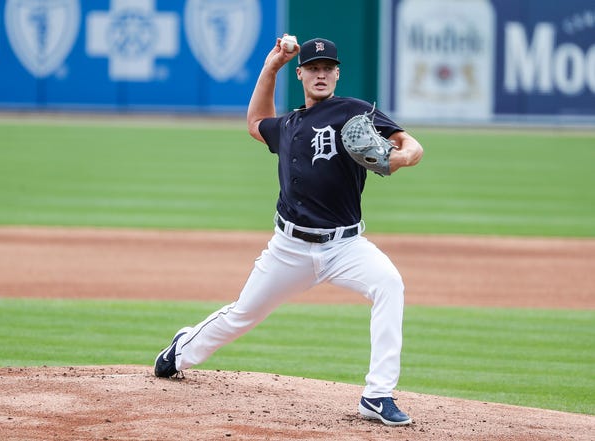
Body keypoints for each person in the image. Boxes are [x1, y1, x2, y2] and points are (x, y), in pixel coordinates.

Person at [155, 36, 424, 426]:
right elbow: (254, 123)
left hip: (346, 246)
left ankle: (377, 394)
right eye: (312, 68)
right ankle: (181, 351)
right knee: (242, 314)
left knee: (389, 284)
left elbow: (410, 143)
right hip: (289, 250)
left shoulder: (354, 111)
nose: (320, 74)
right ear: (300, 74)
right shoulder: (290, 125)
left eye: (327, 68)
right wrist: (272, 66)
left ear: (337, 73)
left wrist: (399, 158)